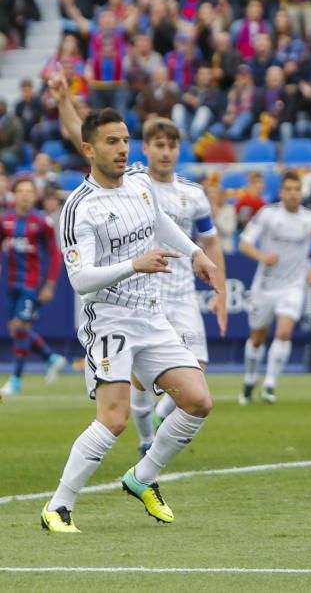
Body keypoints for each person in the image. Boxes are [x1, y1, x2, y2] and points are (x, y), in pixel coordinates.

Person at [41, 106, 218, 533]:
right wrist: (133, 265)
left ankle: (142, 477)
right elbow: (81, 279)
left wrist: (195, 253)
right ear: (88, 149)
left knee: (198, 401)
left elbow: (158, 223)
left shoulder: (139, 184)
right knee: (114, 419)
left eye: (124, 140)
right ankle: (58, 507)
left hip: (150, 316)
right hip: (109, 321)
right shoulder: (79, 208)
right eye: (111, 142)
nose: (122, 149)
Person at [126, 118, 228, 455]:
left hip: (182, 295)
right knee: (141, 378)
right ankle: (144, 440)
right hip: (144, 293)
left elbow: (211, 244)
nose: (166, 152)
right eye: (159, 145)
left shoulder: (194, 195)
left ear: (179, 149)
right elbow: (82, 138)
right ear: (146, 148)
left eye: (171, 145)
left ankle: (157, 419)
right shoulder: (134, 184)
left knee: (197, 374)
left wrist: (221, 297)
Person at [238, 172, 311, 405]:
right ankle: (250, 380)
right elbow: (244, 243)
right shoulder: (268, 215)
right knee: (257, 338)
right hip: (265, 285)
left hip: (293, 285)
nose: (292, 194)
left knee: (284, 332)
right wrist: (262, 256)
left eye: (296, 190)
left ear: (302, 193)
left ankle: (270, 384)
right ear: (281, 192)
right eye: (288, 189)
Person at [0, 178, 67, 396]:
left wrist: (49, 284)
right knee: (17, 329)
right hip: (10, 283)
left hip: (30, 284)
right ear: (15, 195)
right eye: (21, 191)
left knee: (19, 327)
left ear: (35, 195)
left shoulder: (42, 222)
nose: (26, 195)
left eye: (29, 191)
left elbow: (55, 254)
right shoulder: (5, 219)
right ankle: (51, 357)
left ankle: (16, 380)